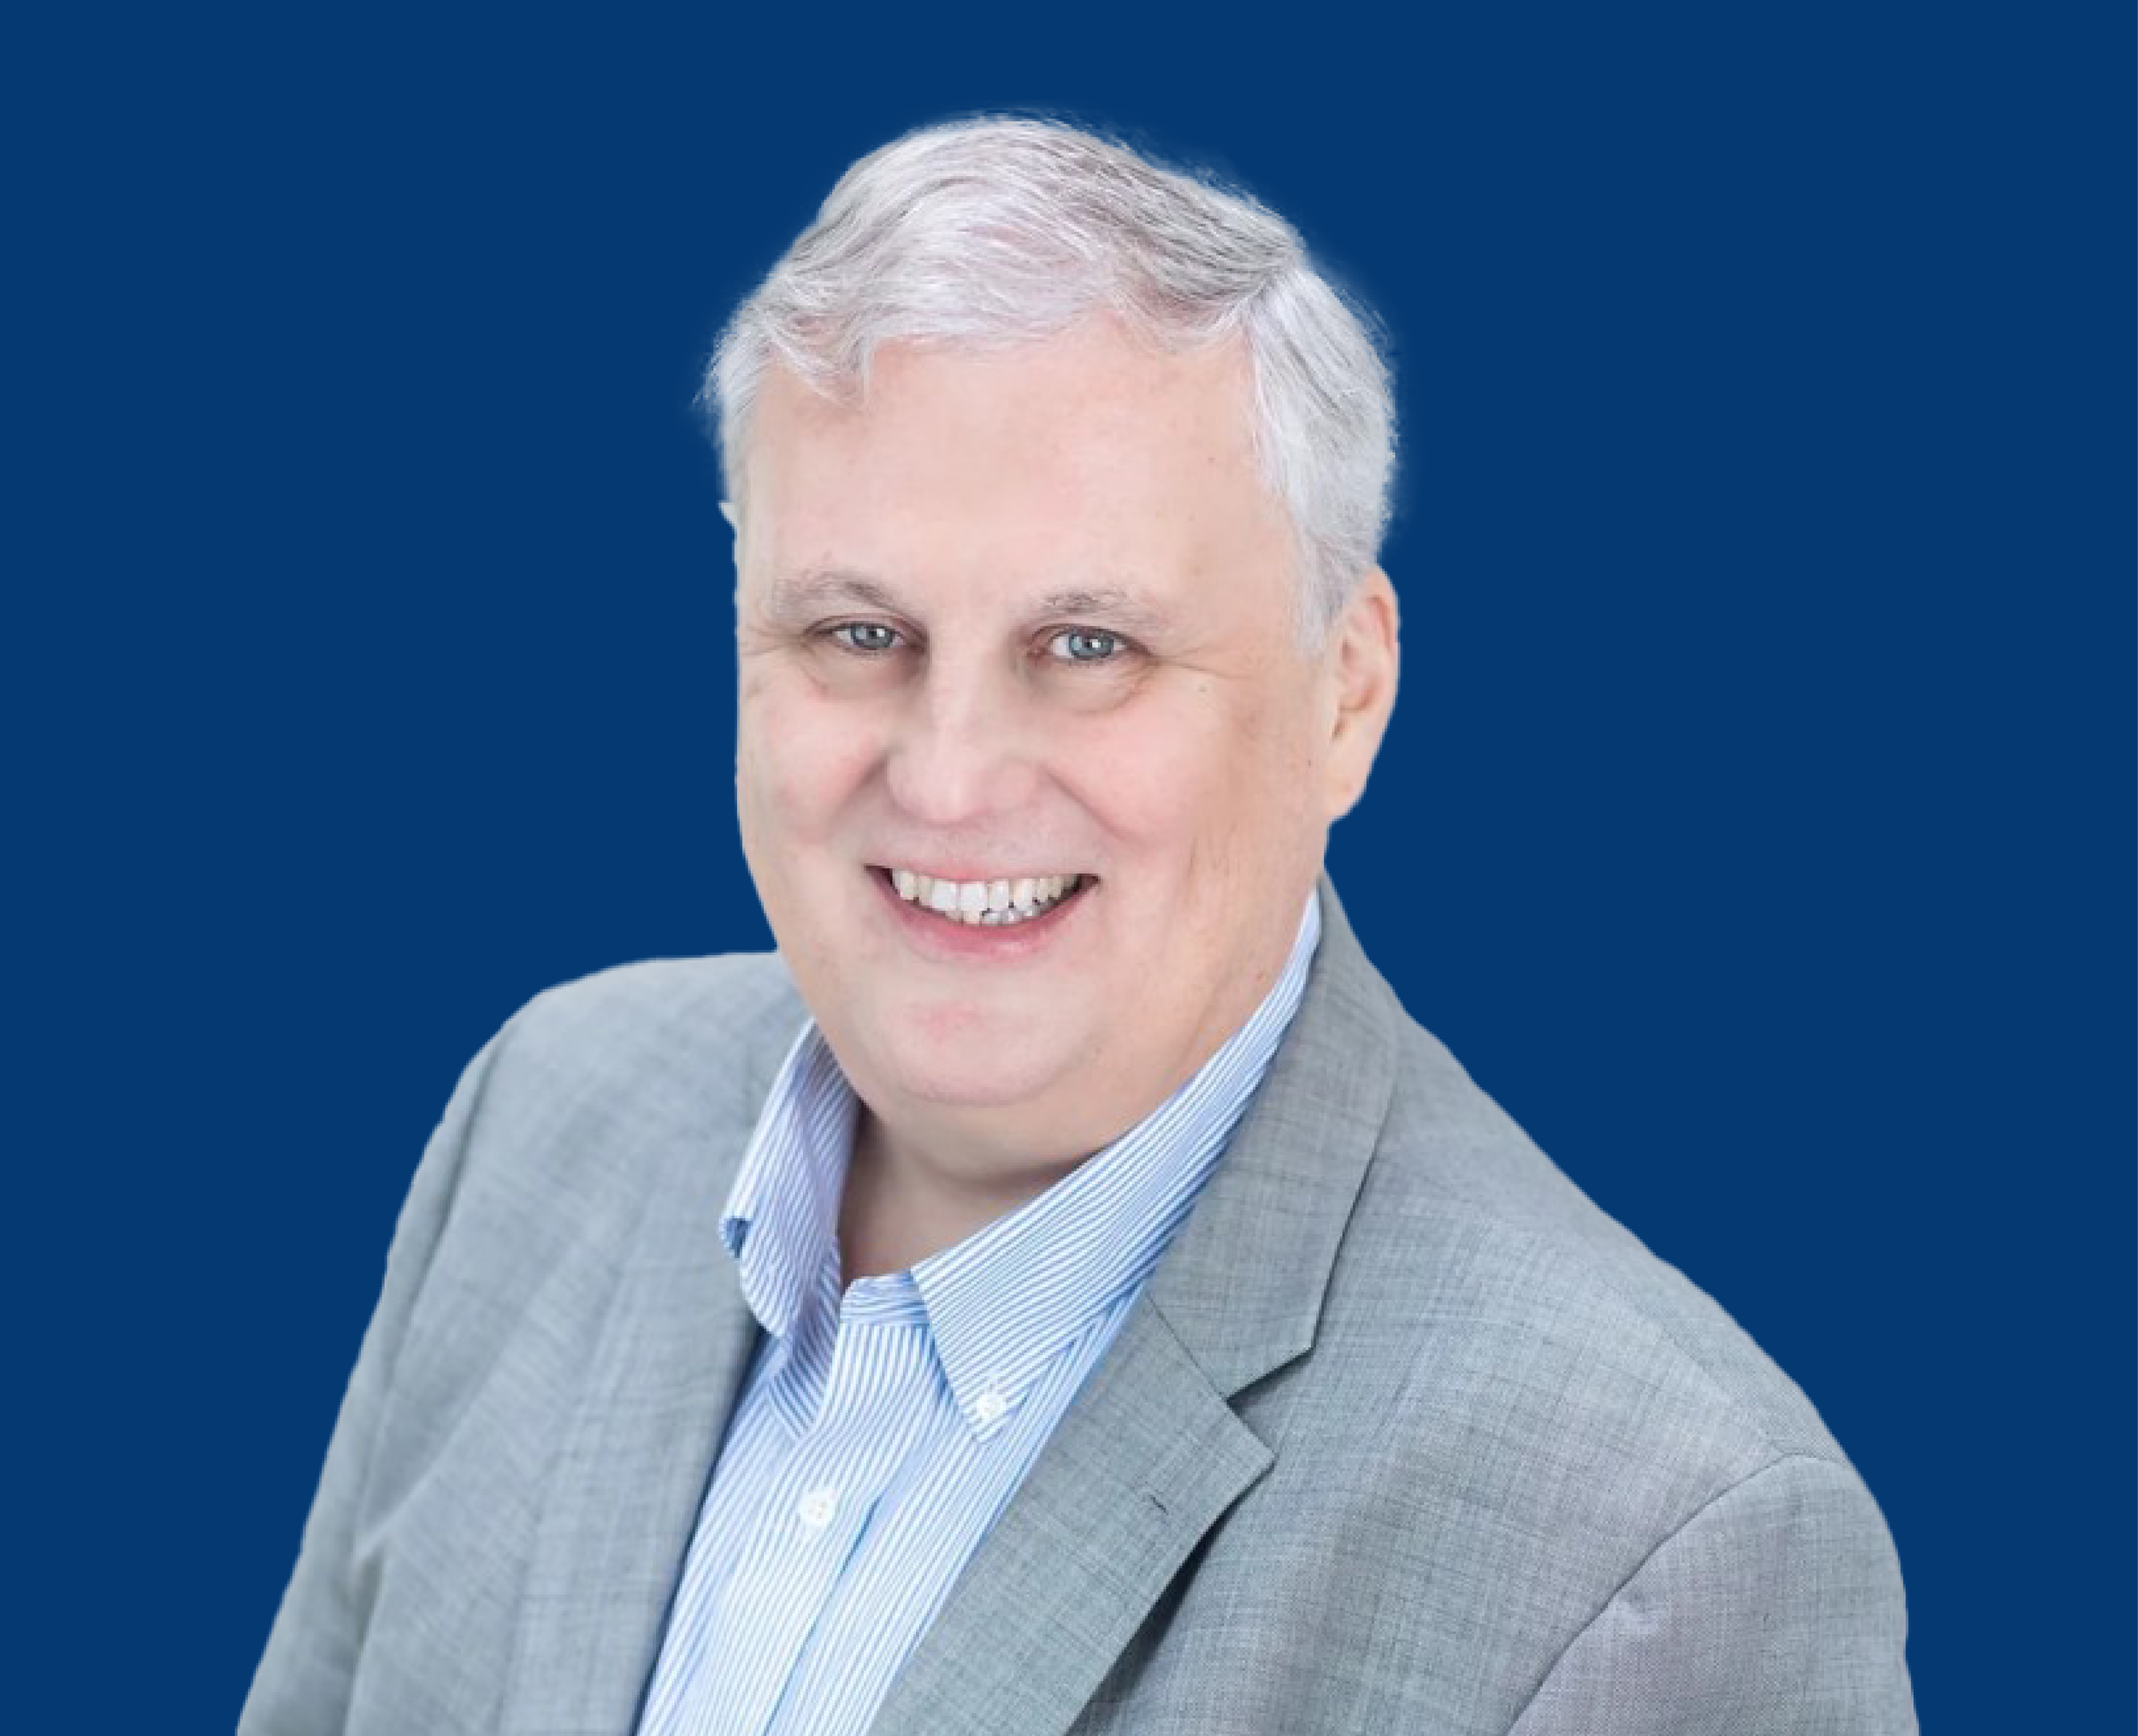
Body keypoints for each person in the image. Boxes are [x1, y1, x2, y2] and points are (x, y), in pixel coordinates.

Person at [242, 115, 1915, 1734]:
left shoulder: (1658, 1551)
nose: (951, 781)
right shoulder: (545, 1113)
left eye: (1087, 646)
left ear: (1347, 693)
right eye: (854, 631)